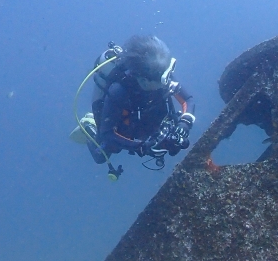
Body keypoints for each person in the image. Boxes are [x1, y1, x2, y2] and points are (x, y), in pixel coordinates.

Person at [72, 35, 195, 179]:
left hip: (146, 112)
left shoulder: (160, 74)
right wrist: (138, 147)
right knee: (102, 154)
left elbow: (188, 99)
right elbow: (107, 134)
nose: (168, 82)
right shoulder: (118, 91)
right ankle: (89, 124)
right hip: (120, 119)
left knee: (175, 143)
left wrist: (185, 123)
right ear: (143, 80)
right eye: (164, 79)